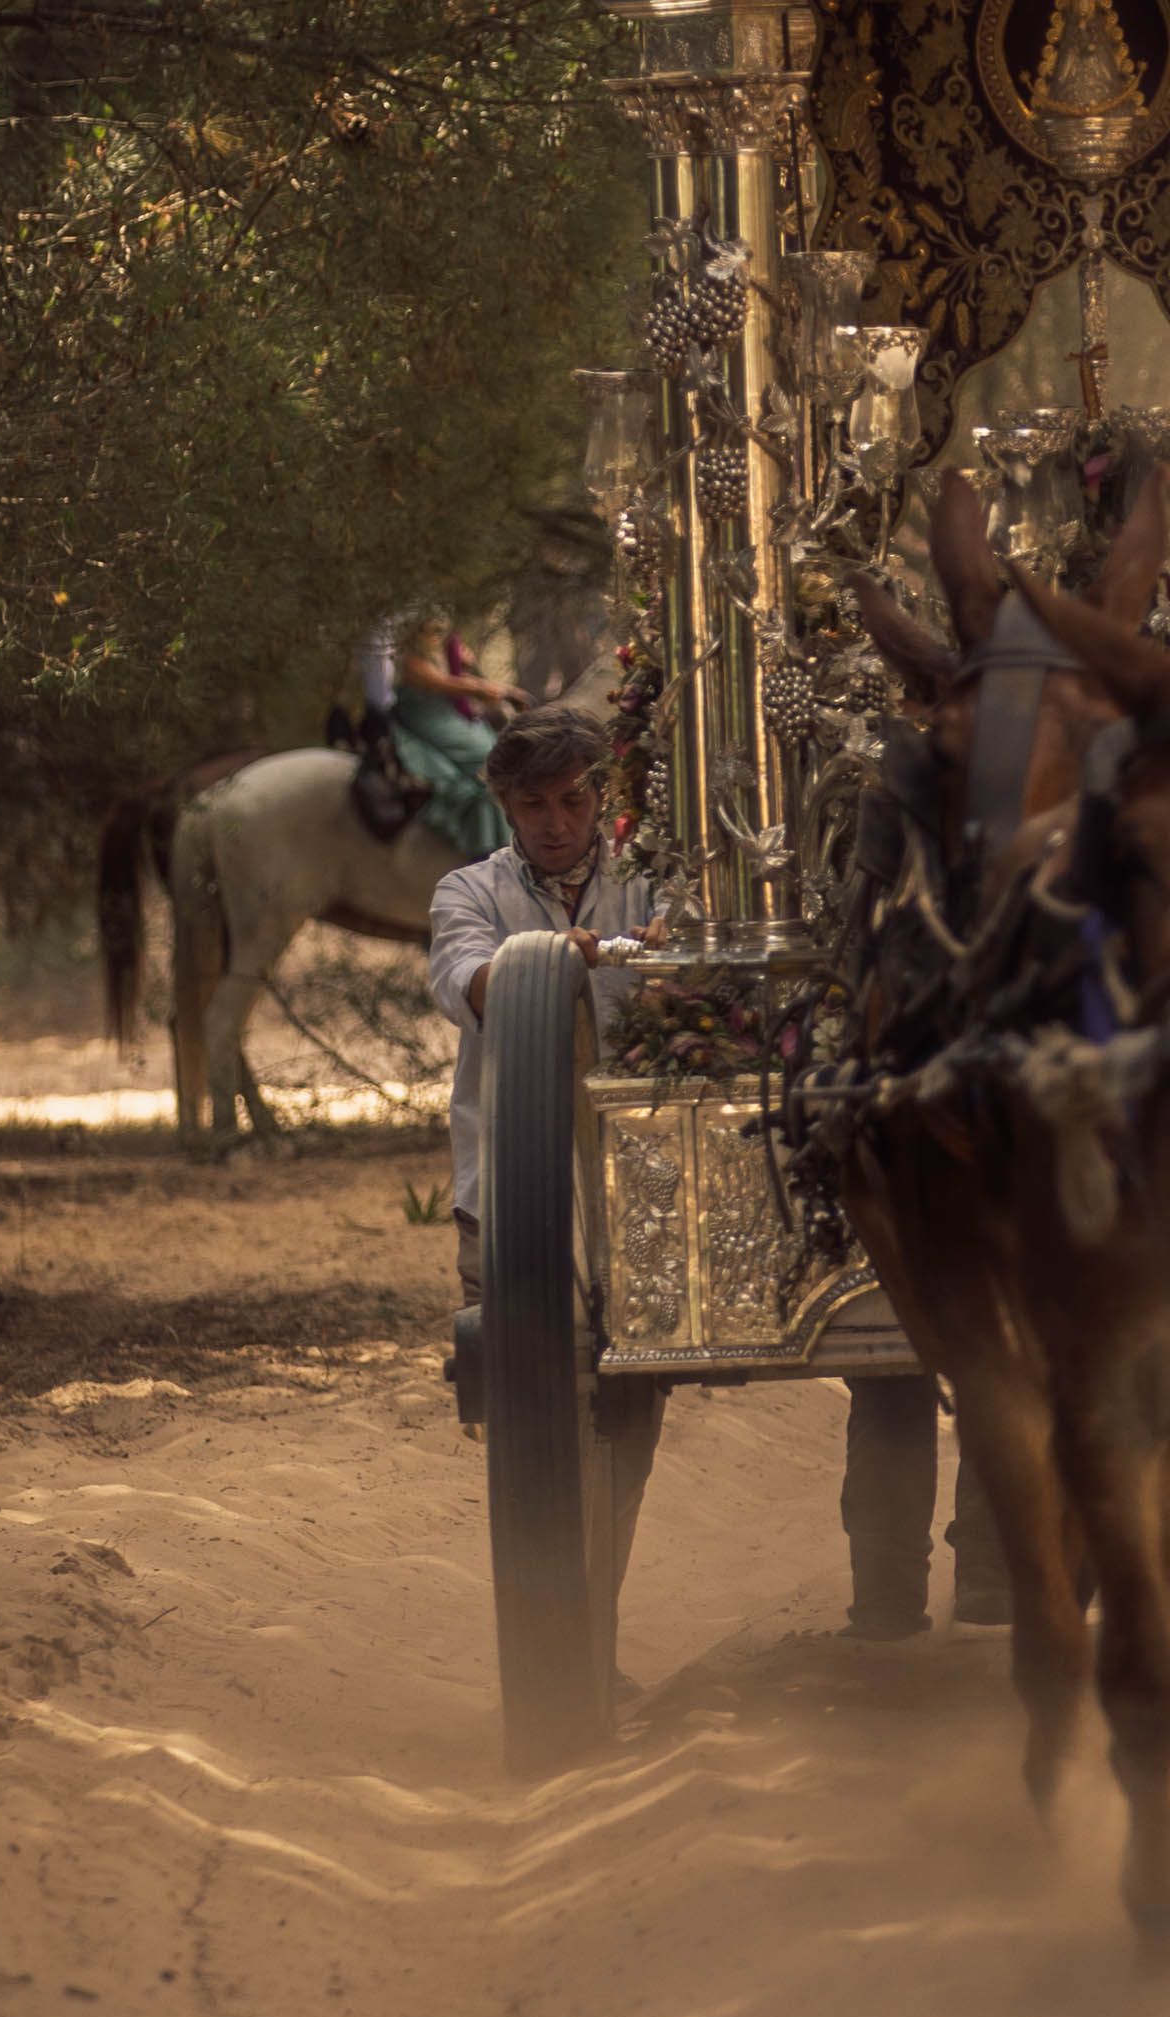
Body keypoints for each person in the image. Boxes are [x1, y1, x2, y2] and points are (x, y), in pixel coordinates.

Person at [427, 710, 976, 1645]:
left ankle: (889, 1601)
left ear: (605, 797)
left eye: (572, 800)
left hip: (680, 1176)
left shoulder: (660, 881)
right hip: (532, 1197)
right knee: (572, 1430)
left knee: (887, 1352)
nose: (555, 823)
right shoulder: (468, 892)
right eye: (532, 805)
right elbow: (471, 984)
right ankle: (573, 1647)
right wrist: (590, 956)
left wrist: (684, 946)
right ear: (504, 806)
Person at [365, 615, 518, 862]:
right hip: (426, 718)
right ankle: (482, 848)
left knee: (497, 753)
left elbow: (456, 678)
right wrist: (483, 689)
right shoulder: (410, 658)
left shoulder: (441, 650)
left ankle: (505, 841)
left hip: (446, 716)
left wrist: (496, 688)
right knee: (485, 759)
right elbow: (437, 682)